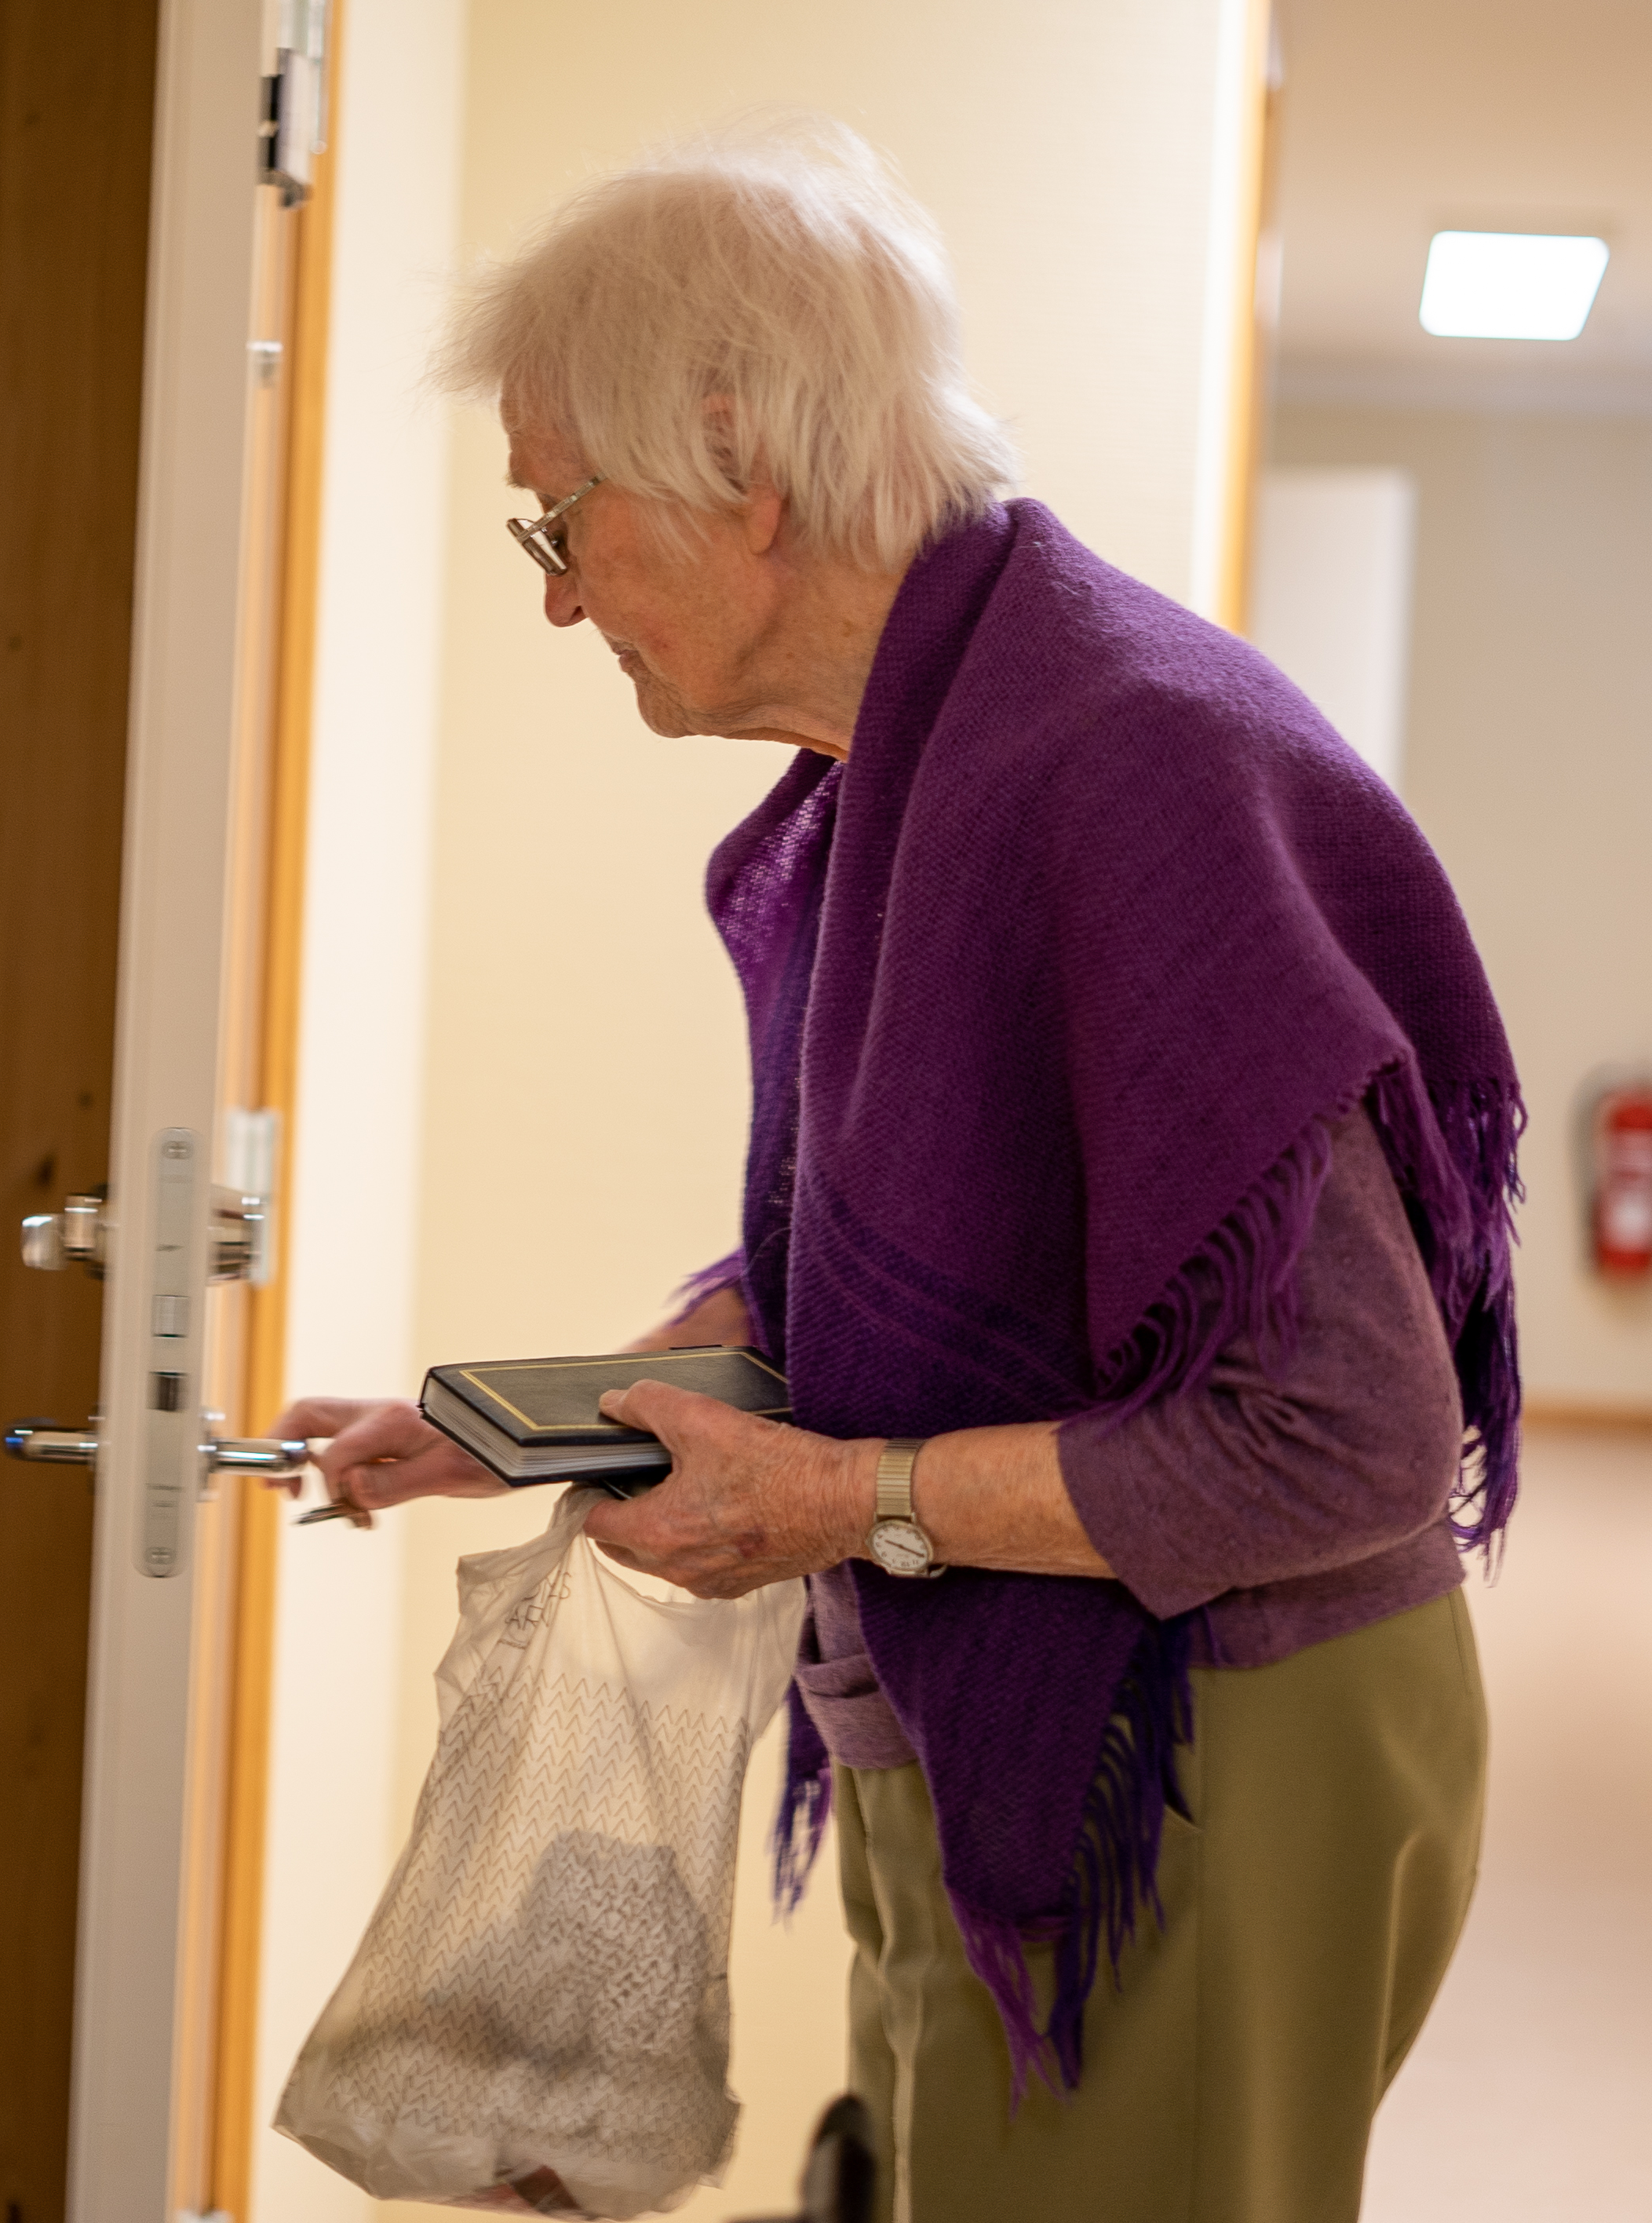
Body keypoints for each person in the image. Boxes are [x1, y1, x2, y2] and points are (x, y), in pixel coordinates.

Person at [273, 118, 1522, 2223]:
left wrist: (837, 1500)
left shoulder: (1123, 765)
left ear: (742, 466)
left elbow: (1344, 1438)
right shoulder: (911, 768)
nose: (560, 593)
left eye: (557, 523)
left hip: (1216, 1746)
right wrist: (558, 1424)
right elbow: (892, 1273)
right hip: (1027, 1710)